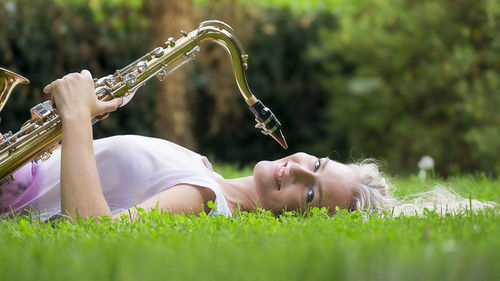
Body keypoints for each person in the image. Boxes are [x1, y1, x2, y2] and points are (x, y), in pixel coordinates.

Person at [0, 71, 495, 221]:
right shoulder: (204, 170)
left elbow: (90, 231)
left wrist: (77, 118)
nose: (298, 170)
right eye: (317, 164)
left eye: (310, 194)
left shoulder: (202, 197)